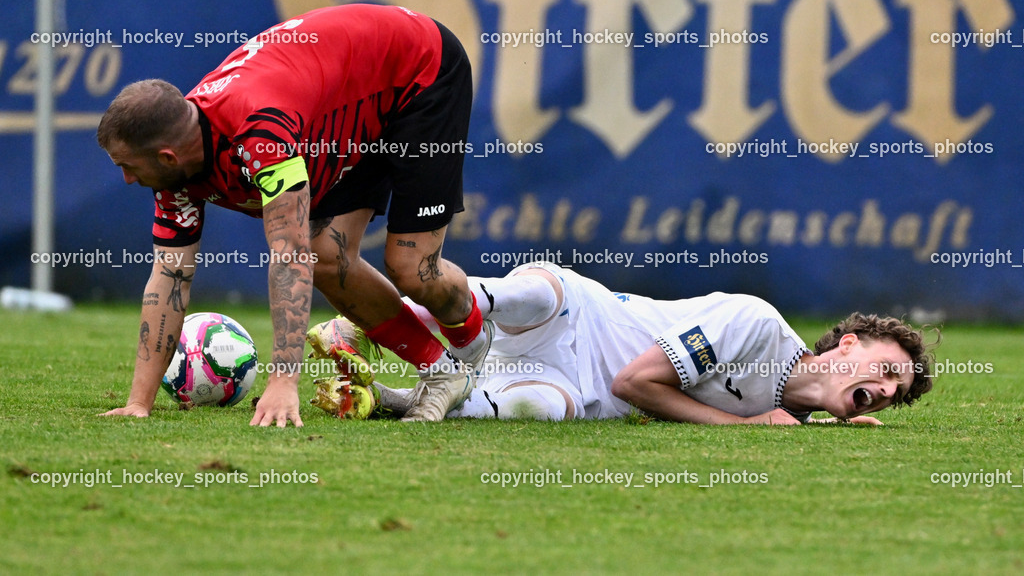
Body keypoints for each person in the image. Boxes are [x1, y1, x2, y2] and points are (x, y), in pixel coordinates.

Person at [96, 3, 492, 427]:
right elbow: (170, 275)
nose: (126, 179)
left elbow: (289, 255)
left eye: (129, 166)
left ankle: (480, 351)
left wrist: (283, 380)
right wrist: (139, 403)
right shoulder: (175, 168)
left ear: (167, 156)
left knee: (412, 269)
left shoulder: (258, 131)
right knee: (327, 258)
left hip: (418, 69)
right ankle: (444, 374)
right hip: (348, 98)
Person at [308, 263, 935, 425]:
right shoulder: (758, 323)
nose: (882, 392)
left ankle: (372, 396)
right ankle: (364, 324)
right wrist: (743, 429)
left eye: (892, 393)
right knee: (515, 300)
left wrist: (820, 420)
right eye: (885, 370)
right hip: (578, 317)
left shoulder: (793, 416)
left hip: (581, 392)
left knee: (542, 410)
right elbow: (636, 382)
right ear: (847, 343)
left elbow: (782, 412)